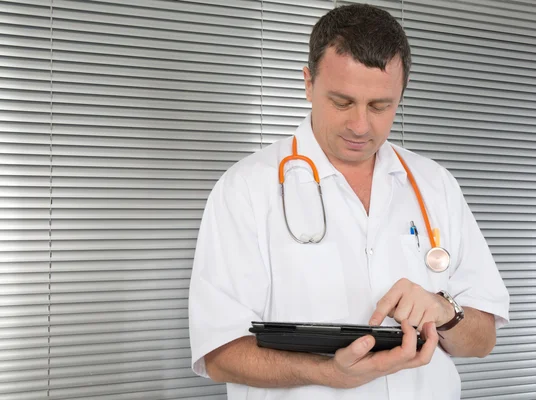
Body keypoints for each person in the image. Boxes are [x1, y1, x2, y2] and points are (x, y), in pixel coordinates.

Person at [188, 4, 510, 399]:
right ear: (308, 83)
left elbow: (482, 340)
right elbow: (219, 352)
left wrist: (446, 312)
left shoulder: (435, 184)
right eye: (342, 102)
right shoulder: (245, 189)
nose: (360, 126)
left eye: (380, 106)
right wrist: (327, 373)